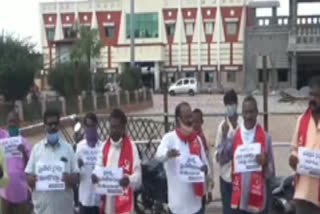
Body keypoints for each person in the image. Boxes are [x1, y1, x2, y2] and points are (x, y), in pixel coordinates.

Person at [217, 96, 275, 214]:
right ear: (242, 113)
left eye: (251, 112)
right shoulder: (233, 136)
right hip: (240, 200)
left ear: (257, 112)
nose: (249, 116)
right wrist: (224, 136)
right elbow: (222, 159)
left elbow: (271, 173)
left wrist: (265, 163)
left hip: (258, 200)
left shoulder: (265, 137)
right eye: (246, 112)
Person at [156, 102, 210, 214]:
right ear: (178, 120)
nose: (191, 120)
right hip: (177, 207)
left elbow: (205, 164)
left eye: (191, 116)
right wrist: (168, 154)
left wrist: (205, 169)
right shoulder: (169, 138)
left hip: (196, 206)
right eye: (187, 117)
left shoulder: (197, 140)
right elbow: (158, 155)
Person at [25, 108, 80, 214]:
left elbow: (77, 177)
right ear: (44, 126)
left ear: (59, 125)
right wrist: (31, 180)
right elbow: (27, 176)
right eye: (50, 124)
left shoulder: (68, 149)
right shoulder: (36, 149)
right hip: (42, 210)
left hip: (64, 210)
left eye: (55, 123)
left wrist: (69, 178)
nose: (53, 127)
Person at [92, 108, 141, 214]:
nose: (113, 130)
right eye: (112, 127)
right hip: (107, 203)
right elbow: (97, 167)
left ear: (123, 127)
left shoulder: (132, 147)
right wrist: (95, 175)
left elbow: (138, 177)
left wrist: (128, 180)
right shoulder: (104, 146)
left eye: (117, 127)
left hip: (125, 205)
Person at [289, 76, 320, 214]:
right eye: (311, 95)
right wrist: (293, 159)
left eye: (317, 96)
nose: (313, 99)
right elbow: (294, 150)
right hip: (302, 193)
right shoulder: (302, 120)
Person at [0, 111, 31, 214]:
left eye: (14, 121)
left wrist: (24, 154)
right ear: (6, 124)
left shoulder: (24, 142)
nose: (12, 124)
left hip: (20, 194)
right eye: (9, 121)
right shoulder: (3, 138)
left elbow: (29, 167)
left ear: (19, 123)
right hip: (4, 194)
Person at [216, 89, 240, 214]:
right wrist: (225, 136)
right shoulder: (221, 127)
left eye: (232, 103)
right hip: (226, 177)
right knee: (228, 209)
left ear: (237, 104)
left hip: (241, 178)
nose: (230, 107)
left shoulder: (244, 124)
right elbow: (218, 157)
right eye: (227, 104)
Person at [76, 113, 101, 214]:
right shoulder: (79, 147)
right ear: (84, 127)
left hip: (99, 198)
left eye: (93, 125)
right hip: (85, 197)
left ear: (96, 126)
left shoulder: (102, 146)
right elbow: (74, 170)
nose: (90, 128)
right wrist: (78, 165)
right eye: (88, 126)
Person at [192, 108, 214, 211]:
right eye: (193, 122)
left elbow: (209, 163)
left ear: (202, 122)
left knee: (201, 209)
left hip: (203, 184)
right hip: (191, 186)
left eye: (197, 122)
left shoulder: (205, 139)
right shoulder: (187, 139)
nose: (195, 124)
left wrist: (209, 189)